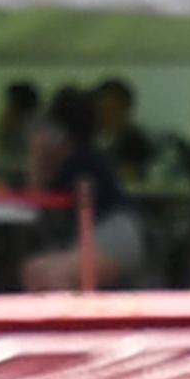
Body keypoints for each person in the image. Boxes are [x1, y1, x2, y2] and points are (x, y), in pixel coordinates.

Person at [22, 81, 144, 294]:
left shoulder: (80, 164)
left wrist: (36, 160)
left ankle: (67, 324)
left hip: (111, 239)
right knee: (36, 270)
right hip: (116, 236)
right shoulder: (85, 159)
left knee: (46, 274)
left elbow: (35, 206)